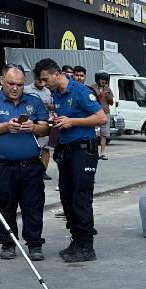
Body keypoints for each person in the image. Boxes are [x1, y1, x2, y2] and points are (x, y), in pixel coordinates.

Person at [35, 58, 106, 262]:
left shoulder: (81, 91)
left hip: (83, 151)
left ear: (57, 74)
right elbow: (64, 119)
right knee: (67, 198)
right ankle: (76, 240)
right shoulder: (57, 94)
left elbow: (101, 118)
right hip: (66, 151)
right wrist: (57, 121)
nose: (44, 83)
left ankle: (86, 246)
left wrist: (72, 121)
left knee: (80, 198)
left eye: (46, 79)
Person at [0, 65, 50, 261]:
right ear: (1, 81)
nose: (16, 88)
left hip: (30, 165)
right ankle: (8, 243)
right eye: (11, 84)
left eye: (19, 84)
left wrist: (33, 127)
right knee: (5, 206)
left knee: (33, 206)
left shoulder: (33, 101)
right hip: (2, 166)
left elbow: (46, 129)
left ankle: (34, 244)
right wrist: (6, 126)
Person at [23, 71, 54, 179]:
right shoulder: (26, 90)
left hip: (45, 122)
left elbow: (52, 107)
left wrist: (49, 105)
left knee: (46, 148)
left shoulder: (48, 91)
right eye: (38, 78)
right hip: (31, 123)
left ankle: (43, 171)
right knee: (33, 147)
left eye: (43, 79)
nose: (41, 81)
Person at [94, 72, 114, 160]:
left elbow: (111, 103)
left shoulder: (108, 89)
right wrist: (100, 95)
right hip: (95, 113)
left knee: (104, 134)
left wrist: (108, 97)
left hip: (105, 113)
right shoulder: (92, 87)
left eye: (105, 80)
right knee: (94, 133)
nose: (103, 81)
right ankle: (94, 153)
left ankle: (102, 153)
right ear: (98, 79)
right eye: (102, 79)